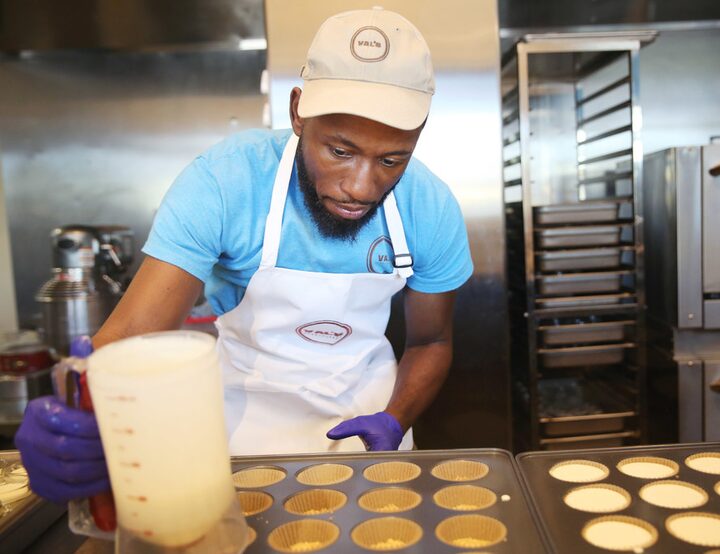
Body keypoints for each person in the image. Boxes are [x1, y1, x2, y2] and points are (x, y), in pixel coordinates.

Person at [15, 7, 473, 504]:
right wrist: (76, 408)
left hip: (370, 430)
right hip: (243, 437)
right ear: (298, 112)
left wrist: (395, 417)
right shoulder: (226, 182)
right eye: (339, 151)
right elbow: (133, 336)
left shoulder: (430, 206)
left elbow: (430, 341)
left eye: (391, 160)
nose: (361, 187)